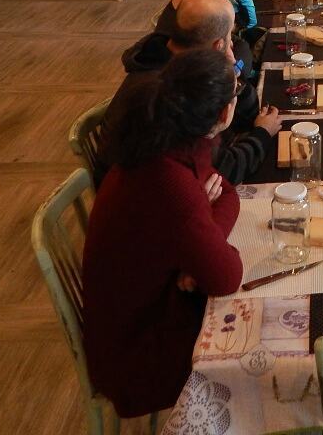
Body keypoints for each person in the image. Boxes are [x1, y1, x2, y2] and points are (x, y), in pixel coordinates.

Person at [83, 49, 244, 418]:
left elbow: (227, 192)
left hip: (135, 310)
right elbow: (227, 275)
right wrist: (203, 238)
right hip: (137, 349)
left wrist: (201, 239)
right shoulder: (171, 183)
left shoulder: (164, 137)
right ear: (224, 113)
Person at [97, 0, 279, 187]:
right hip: (145, 196)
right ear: (218, 45)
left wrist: (229, 73)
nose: (233, 45)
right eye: (229, 37)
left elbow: (245, 117)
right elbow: (222, 171)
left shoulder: (165, 56)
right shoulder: (178, 87)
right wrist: (262, 134)